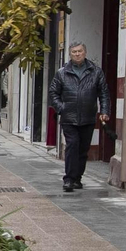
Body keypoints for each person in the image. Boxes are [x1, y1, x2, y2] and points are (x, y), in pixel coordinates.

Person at [49, 42, 109, 192]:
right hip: (69, 118)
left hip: (88, 117)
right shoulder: (62, 73)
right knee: (72, 145)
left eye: (80, 51)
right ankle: (68, 179)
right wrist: (61, 108)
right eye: (74, 52)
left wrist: (105, 111)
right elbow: (53, 93)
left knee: (83, 149)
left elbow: (104, 93)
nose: (77, 54)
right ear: (70, 54)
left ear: (85, 52)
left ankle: (77, 178)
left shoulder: (96, 72)